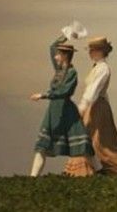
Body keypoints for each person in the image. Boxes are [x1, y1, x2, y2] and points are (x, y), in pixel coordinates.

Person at [65, 37, 117, 175]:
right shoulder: (97, 67)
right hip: (93, 105)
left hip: (96, 106)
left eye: (92, 50)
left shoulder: (103, 69)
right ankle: (89, 169)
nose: (90, 53)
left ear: (100, 51)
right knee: (89, 136)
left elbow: (93, 90)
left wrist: (82, 107)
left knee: (99, 139)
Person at [30, 34, 95, 177]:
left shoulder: (72, 73)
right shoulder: (59, 70)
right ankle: (33, 177)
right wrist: (66, 35)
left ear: (65, 56)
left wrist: (43, 95)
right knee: (42, 145)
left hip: (67, 110)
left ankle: (97, 170)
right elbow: (52, 47)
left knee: (82, 144)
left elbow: (64, 91)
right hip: (54, 110)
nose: (55, 57)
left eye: (58, 55)